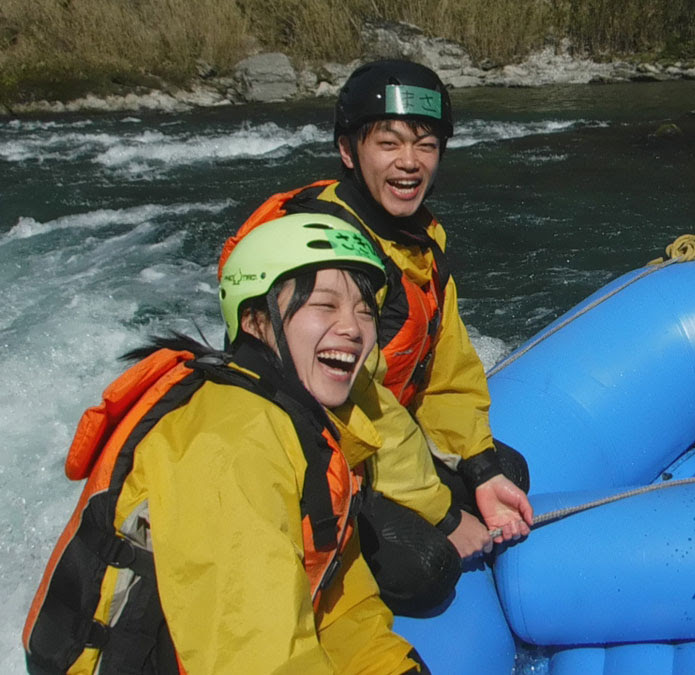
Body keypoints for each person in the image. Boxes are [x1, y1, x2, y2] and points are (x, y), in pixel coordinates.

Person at [24, 214, 425, 673]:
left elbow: (340, 602)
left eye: (363, 309)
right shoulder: (231, 443)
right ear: (255, 321)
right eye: (325, 305)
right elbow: (253, 656)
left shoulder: (304, 423)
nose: (353, 328)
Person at [221, 59, 533, 613]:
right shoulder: (328, 252)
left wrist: (479, 468)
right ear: (349, 152)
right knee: (426, 569)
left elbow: (448, 366)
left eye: (426, 145)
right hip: (312, 454)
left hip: (376, 443)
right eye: (388, 143)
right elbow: (356, 405)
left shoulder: (421, 238)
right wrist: (440, 511)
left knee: (506, 472)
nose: (409, 163)